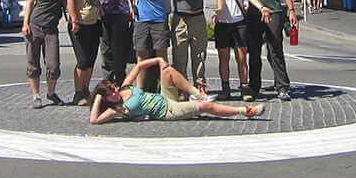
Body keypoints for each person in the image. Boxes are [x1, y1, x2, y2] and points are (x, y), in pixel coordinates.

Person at [133, 0, 221, 95]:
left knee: (163, 59)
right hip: (142, 20)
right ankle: (139, 93)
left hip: (160, 21)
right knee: (142, 58)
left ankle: (167, 91)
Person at [90, 56, 264, 123]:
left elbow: (139, 66)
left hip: (164, 97)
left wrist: (159, 60)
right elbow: (94, 120)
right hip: (168, 110)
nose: (114, 92)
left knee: (168, 70)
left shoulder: (124, 88)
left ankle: (196, 94)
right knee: (206, 108)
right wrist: (98, 97)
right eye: (110, 94)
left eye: (112, 88)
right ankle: (245, 111)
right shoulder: (115, 110)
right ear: (106, 100)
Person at [241, 0, 297, 102]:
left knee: (276, 51)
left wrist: (291, 9)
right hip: (254, 14)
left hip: (274, 12)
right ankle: (254, 86)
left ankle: (282, 87)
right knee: (254, 52)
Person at [21, 0, 75, 108]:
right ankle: (36, 95)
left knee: (53, 64)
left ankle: (51, 93)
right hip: (35, 26)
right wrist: (25, 23)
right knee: (33, 62)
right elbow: (30, 1)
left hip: (51, 29)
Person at [68, 0, 103, 105]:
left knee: (90, 60)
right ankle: (78, 92)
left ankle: (85, 90)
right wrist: (74, 19)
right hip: (80, 24)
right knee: (82, 61)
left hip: (94, 24)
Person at [213, 0, 249, 100]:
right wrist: (218, 11)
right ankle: (225, 88)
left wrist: (253, 5)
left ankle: (244, 87)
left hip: (239, 24)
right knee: (224, 58)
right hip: (222, 25)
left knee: (241, 59)